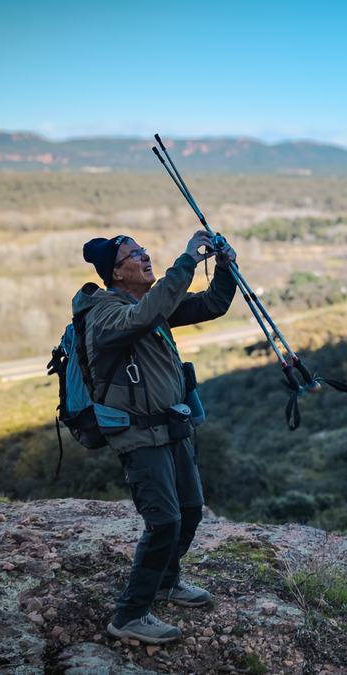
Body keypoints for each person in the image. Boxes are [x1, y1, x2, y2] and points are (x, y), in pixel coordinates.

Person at [76, 230, 236, 644]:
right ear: (116, 272)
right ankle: (130, 614)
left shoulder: (145, 304)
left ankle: (166, 582)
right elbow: (145, 317)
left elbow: (213, 304)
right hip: (137, 435)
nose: (145, 256)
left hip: (172, 427)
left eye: (145, 250)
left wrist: (224, 267)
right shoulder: (106, 313)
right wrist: (186, 261)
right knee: (164, 520)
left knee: (190, 510)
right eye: (135, 255)